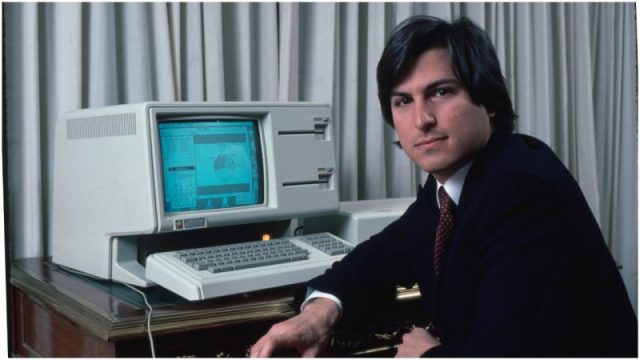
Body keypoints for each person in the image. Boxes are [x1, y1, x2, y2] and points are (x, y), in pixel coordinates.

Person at [250, 15, 637, 357]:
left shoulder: (522, 188)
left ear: (488, 101)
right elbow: (386, 252)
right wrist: (321, 310)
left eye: (441, 92)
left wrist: (426, 355)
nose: (422, 120)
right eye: (403, 101)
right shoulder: (453, 185)